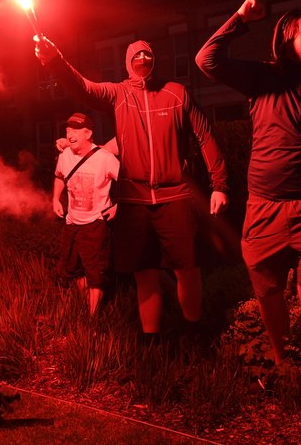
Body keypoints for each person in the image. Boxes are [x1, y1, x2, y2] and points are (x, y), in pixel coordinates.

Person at [195, 0, 301, 435]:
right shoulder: (262, 78)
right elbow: (206, 59)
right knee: (269, 294)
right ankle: (280, 355)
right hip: (265, 208)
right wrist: (238, 20)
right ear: (286, 36)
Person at [34, 35, 229, 343]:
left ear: (154, 60)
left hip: (174, 195)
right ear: (127, 63)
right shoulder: (119, 94)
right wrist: (55, 60)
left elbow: (204, 137)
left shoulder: (176, 93)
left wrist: (219, 184)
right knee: (144, 271)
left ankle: (194, 331)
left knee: (187, 268)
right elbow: (83, 87)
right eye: (135, 56)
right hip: (135, 200)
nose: (142, 60)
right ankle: (151, 339)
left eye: (147, 55)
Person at [52, 112, 120, 316]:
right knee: (72, 269)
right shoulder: (65, 155)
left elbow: (128, 184)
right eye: (67, 130)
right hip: (72, 222)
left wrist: (118, 206)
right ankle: (82, 307)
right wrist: (55, 198)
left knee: (95, 273)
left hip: (96, 223)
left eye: (75, 130)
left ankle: (92, 318)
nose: (70, 134)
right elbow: (59, 177)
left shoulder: (105, 158)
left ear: (88, 133)